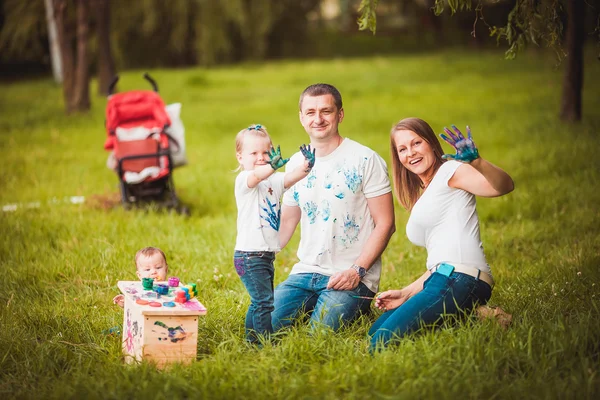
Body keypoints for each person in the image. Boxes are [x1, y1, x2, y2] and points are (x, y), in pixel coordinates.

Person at [369, 118, 514, 350]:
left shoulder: (450, 171)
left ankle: (474, 312)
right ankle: (478, 315)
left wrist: (477, 162)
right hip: (442, 278)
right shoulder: (426, 192)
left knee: (383, 340)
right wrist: (406, 293)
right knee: (375, 331)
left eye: (416, 143)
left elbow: (504, 186)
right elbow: (440, 262)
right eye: (402, 149)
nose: (411, 153)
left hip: (463, 279)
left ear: (431, 143)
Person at [272, 83, 396, 332]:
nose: (318, 119)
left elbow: (386, 223)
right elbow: (287, 222)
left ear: (340, 114)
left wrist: (357, 271)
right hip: (305, 273)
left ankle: (348, 304)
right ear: (301, 117)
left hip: (352, 274)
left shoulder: (365, 159)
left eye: (326, 111)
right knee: (261, 327)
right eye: (310, 112)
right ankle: (310, 304)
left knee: (321, 335)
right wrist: (258, 251)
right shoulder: (297, 163)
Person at [233, 124, 315, 344]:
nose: (261, 157)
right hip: (248, 256)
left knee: (260, 302)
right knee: (264, 303)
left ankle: (252, 341)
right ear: (240, 157)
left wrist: (307, 166)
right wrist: (271, 166)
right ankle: (262, 345)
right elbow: (257, 176)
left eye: (265, 152)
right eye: (254, 153)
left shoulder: (274, 181)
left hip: (265, 256)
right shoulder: (244, 181)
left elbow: (291, 177)